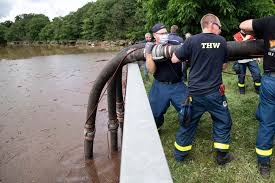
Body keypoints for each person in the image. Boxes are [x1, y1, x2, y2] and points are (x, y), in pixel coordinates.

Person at [171, 13, 233, 165]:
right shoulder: (222, 41)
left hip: (194, 93)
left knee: (188, 122)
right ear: (212, 24)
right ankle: (222, 157)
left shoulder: (191, 40)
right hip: (215, 94)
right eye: (219, 27)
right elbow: (224, 65)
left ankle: (179, 156)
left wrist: (191, 56)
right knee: (223, 121)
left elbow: (174, 59)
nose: (220, 30)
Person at [240, 16, 275, 178]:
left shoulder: (270, 21)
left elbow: (243, 25)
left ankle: (264, 163)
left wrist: (260, 29)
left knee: (267, 122)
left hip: (271, 80)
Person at [144, 23, 187, 130]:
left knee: (188, 110)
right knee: (154, 112)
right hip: (159, 85)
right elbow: (152, 70)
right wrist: (149, 55)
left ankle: (187, 126)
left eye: (166, 33)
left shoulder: (176, 43)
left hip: (177, 84)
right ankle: (158, 126)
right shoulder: (152, 47)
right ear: (154, 35)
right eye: (162, 33)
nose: (165, 35)